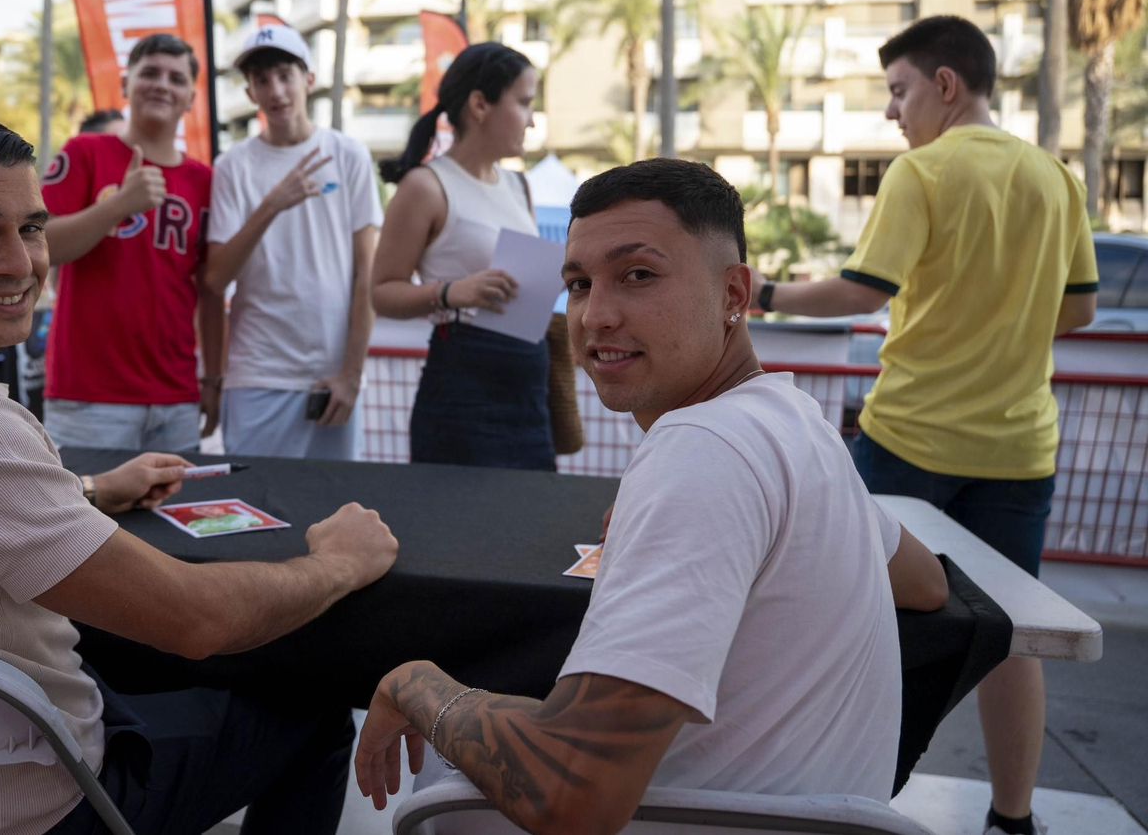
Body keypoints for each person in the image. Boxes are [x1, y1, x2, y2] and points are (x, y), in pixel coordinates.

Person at [0, 112, 400, 835]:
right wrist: (337, 563)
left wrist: (88, 491)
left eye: (31, 228)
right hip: (32, 806)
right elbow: (196, 620)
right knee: (312, 706)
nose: (21, 264)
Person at [355, 159, 950, 830]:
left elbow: (575, 793)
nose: (596, 316)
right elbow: (925, 582)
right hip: (808, 817)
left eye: (638, 274)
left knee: (435, 754)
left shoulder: (703, 449)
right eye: (578, 284)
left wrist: (416, 686)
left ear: (734, 294)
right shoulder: (795, 422)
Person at [748, 16, 1096, 835]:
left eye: (899, 91)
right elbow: (1077, 311)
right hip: (1019, 445)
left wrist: (762, 294)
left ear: (946, 86)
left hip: (910, 438)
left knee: (852, 620)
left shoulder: (924, 171)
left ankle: (840, 807)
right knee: (1016, 636)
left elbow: (862, 291)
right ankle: (1013, 819)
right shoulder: (1056, 176)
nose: (893, 113)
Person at [371, 42, 553, 470]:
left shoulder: (518, 186)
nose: (531, 119)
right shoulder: (425, 186)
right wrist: (453, 292)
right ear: (479, 104)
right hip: (462, 389)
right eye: (524, 103)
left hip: (527, 384)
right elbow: (380, 294)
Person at [40, 34, 225, 453]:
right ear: (125, 85)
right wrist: (119, 206)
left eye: (176, 78)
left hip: (177, 398)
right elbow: (38, 245)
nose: (162, 84)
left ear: (190, 98)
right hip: (89, 398)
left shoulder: (205, 181)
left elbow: (210, 290)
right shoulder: (85, 153)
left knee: (174, 519)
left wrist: (213, 377)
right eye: (150, 73)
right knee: (84, 519)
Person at [205, 24, 381, 460]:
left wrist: (351, 375)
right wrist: (272, 204)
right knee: (254, 511)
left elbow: (368, 275)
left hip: (331, 378)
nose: (275, 90)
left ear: (308, 80)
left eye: (284, 75)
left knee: (335, 510)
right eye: (262, 80)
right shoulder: (233, 165)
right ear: (250, 94)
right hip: (258, 373)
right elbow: (215, 277)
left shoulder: (348, 153)